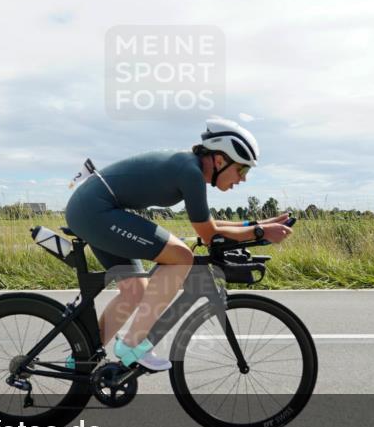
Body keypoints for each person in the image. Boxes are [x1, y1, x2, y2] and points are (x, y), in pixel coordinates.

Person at [64, 118, 293, 371]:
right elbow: (209, 235)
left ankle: (82, 359)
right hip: (96, 211)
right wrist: (261, 231)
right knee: (182, 256)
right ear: (220, 160)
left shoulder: (189, 167)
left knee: (135, 290)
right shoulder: (190, 173)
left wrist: (259, 223)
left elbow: (209, 224)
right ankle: (132, 344)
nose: (243, 179)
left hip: (92, 209)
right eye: (242, 169)